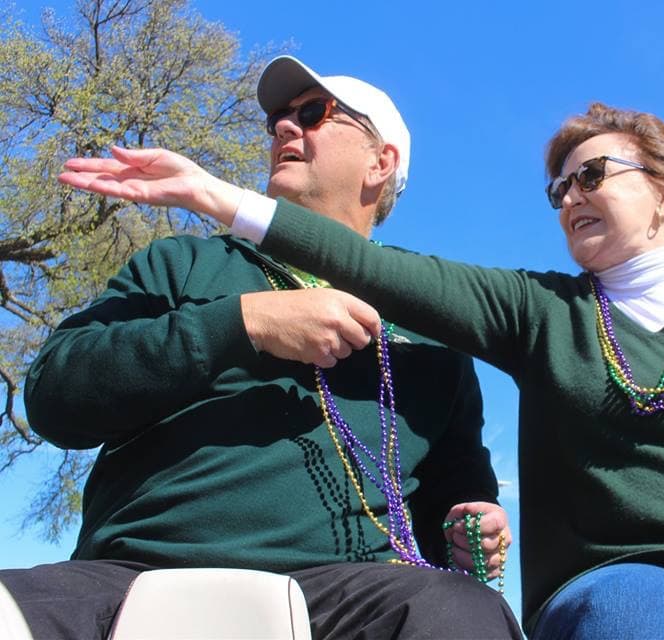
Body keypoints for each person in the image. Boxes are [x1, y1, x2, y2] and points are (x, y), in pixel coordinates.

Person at [56, 103, 664, 638]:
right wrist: (216, 195)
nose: (568, 197)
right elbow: (381, 270)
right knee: (635, 618)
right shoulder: (541, 311)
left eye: (591, 173)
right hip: (622, 574)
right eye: (557, 187)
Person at [1, 55, 522, 640]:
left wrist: (472, 517)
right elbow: (54, 395)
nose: (282, 128)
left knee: (460, 613)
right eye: (277, 118)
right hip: (125, 579)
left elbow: (459, 481)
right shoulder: (182, 264)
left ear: (381, 162)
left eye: (313, 112)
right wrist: (239, 325)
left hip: (351, 595)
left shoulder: (433, 325)